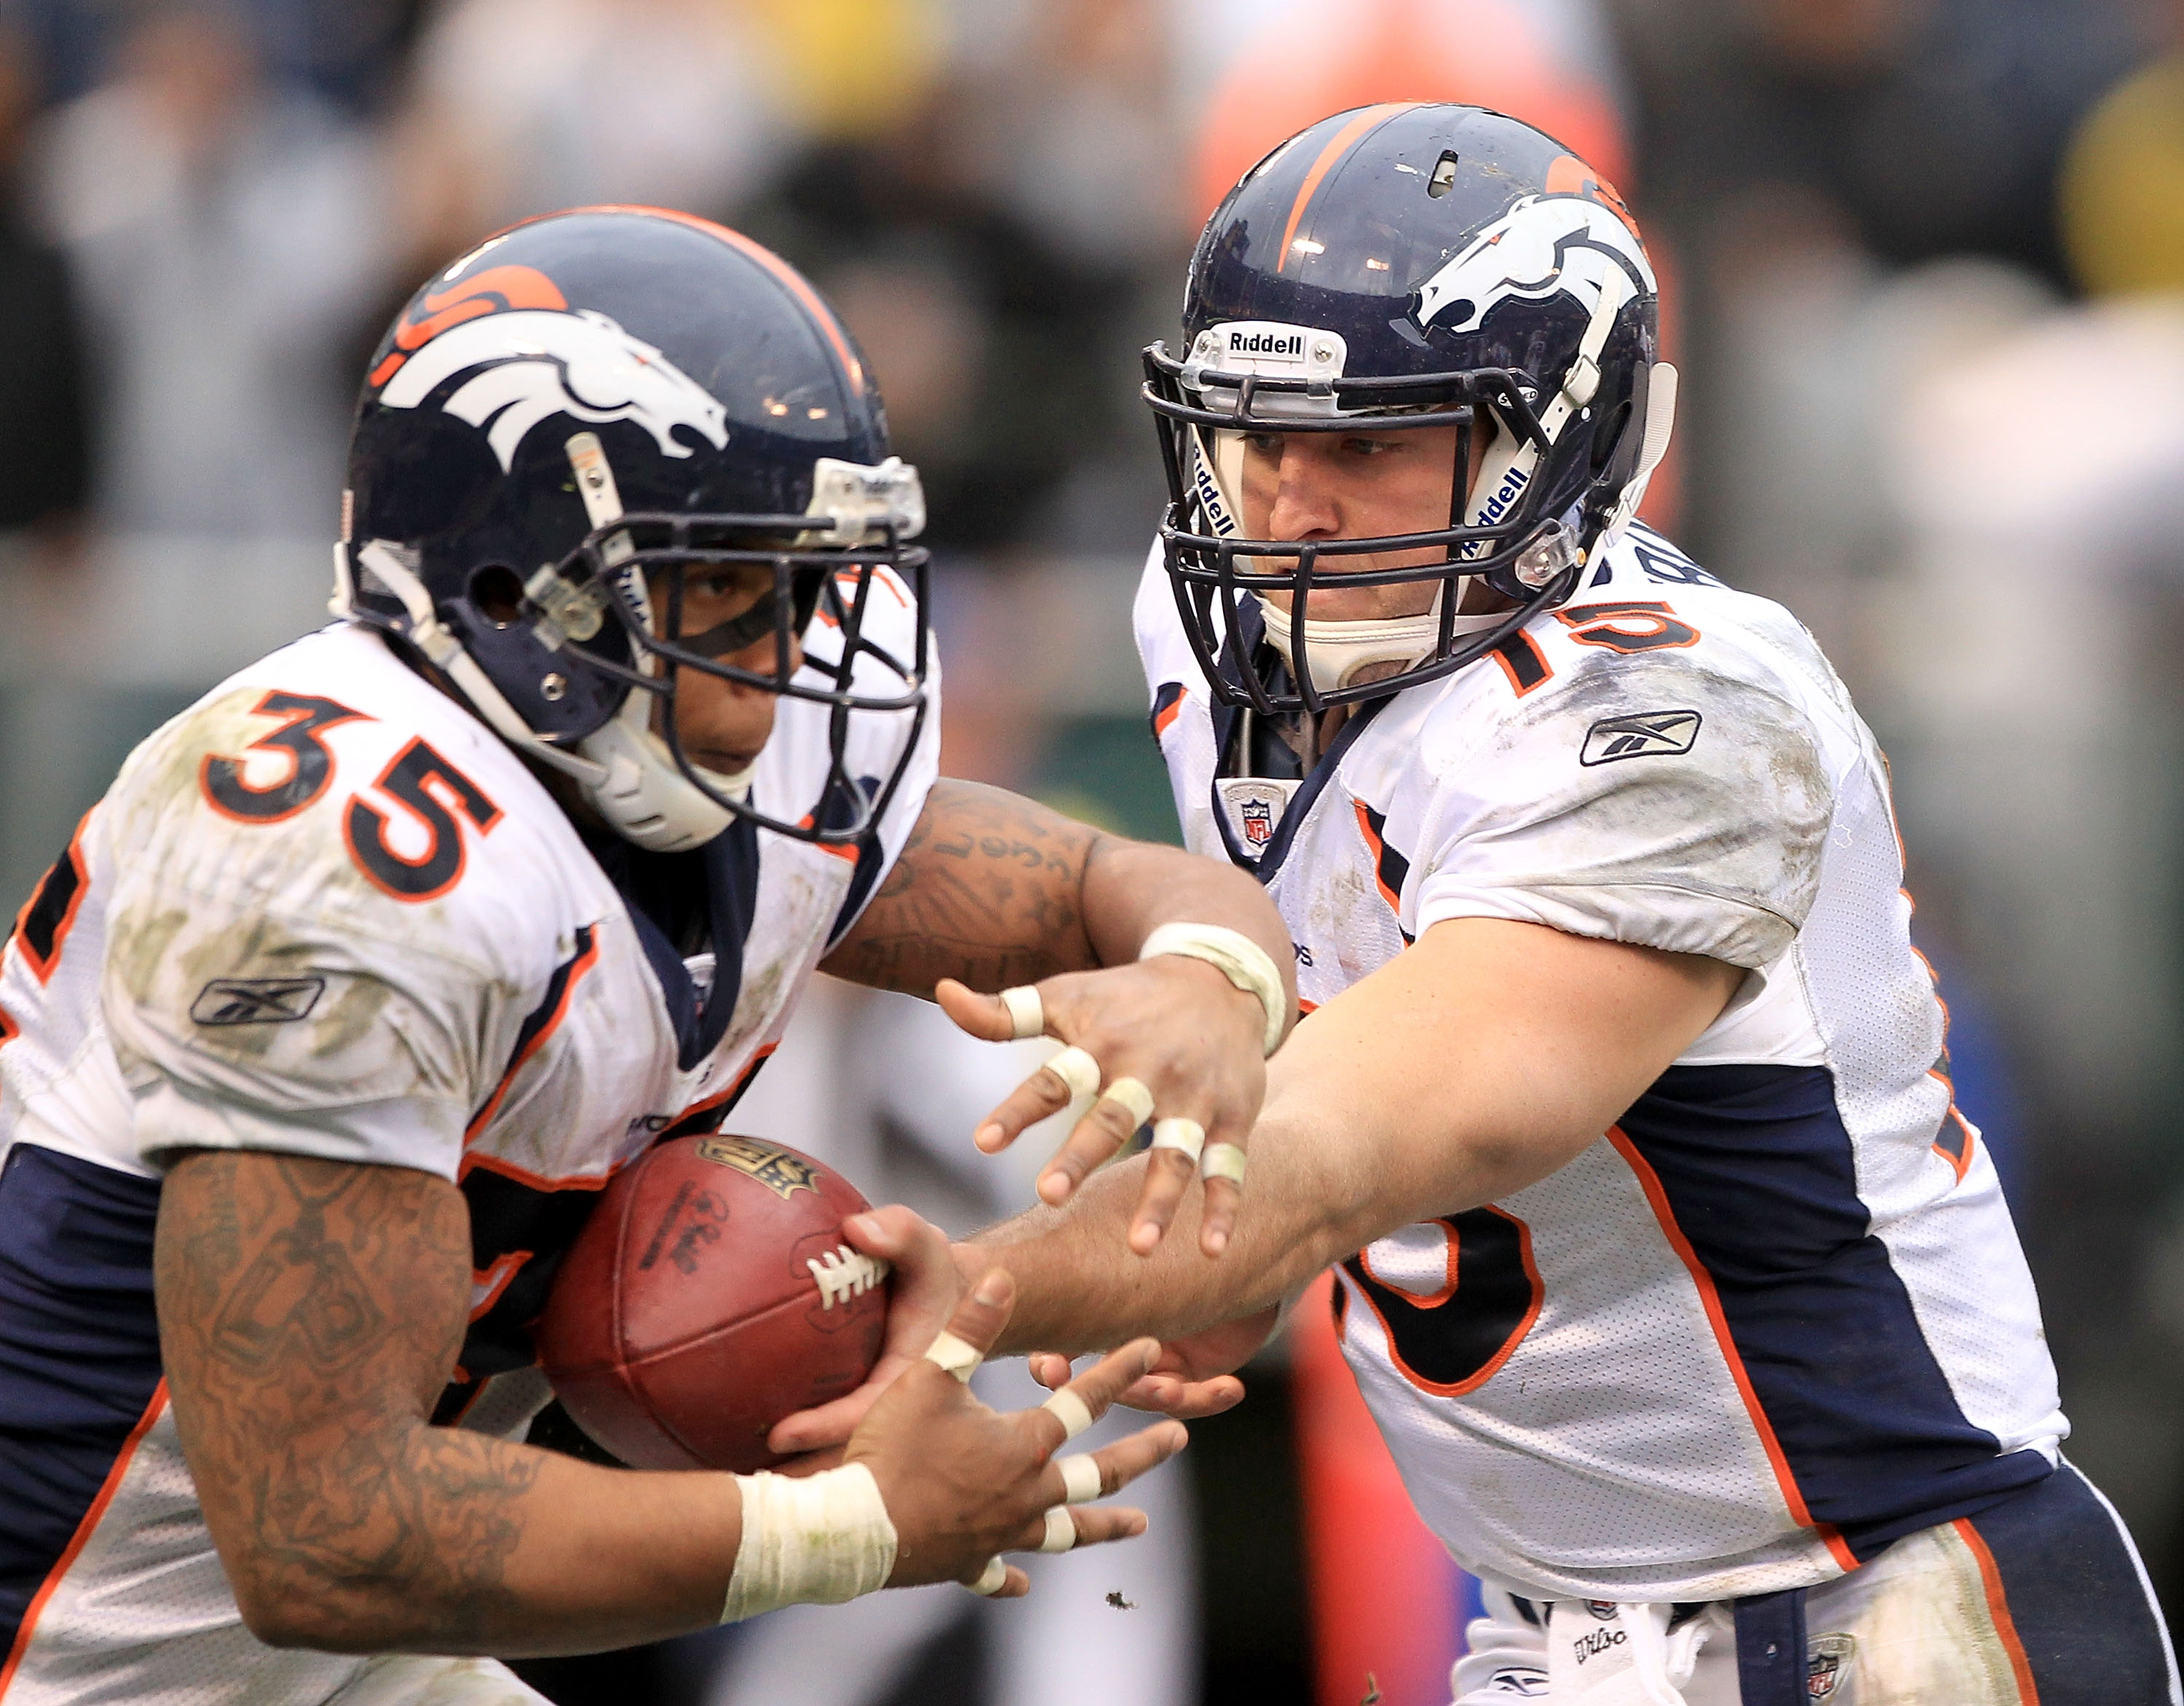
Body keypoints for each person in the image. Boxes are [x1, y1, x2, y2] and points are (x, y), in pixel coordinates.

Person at [782, 108, 2183, 1704]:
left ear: (1557, 442)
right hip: (1561, 1628)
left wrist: (952, 1297)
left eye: (1368, 441)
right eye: (1258, 433)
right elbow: (1291, 1163)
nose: (1289, 502)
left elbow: (1349, 1146)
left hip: (1878, 1607)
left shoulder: (1680, 714)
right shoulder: (1217, 622)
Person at [0, 205, 1299, 1702]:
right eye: (719, 583)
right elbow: (320, 1531)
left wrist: (1209, 981)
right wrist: (854, 1525)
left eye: (802, 582)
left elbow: (1093, 884)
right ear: (506, 579)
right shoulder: (336, 851)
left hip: (331, 1663)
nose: (784, 656)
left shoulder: (738, 756)